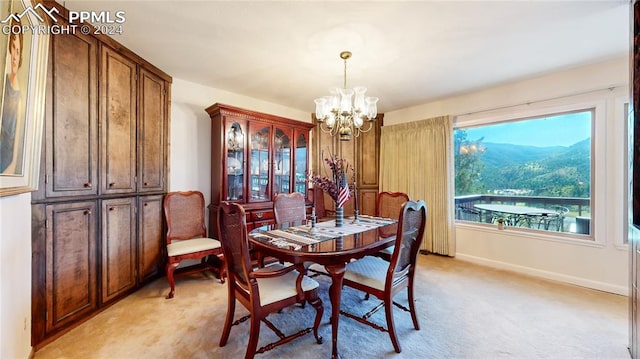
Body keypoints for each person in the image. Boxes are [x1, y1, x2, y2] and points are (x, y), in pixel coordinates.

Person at [0, 18, 24, 173]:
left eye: (18, 51)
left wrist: (11, 168)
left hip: (6, 162)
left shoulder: (19, 96)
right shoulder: (3, 85)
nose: (15, 57)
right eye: (13, 48)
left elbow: (15, 153)